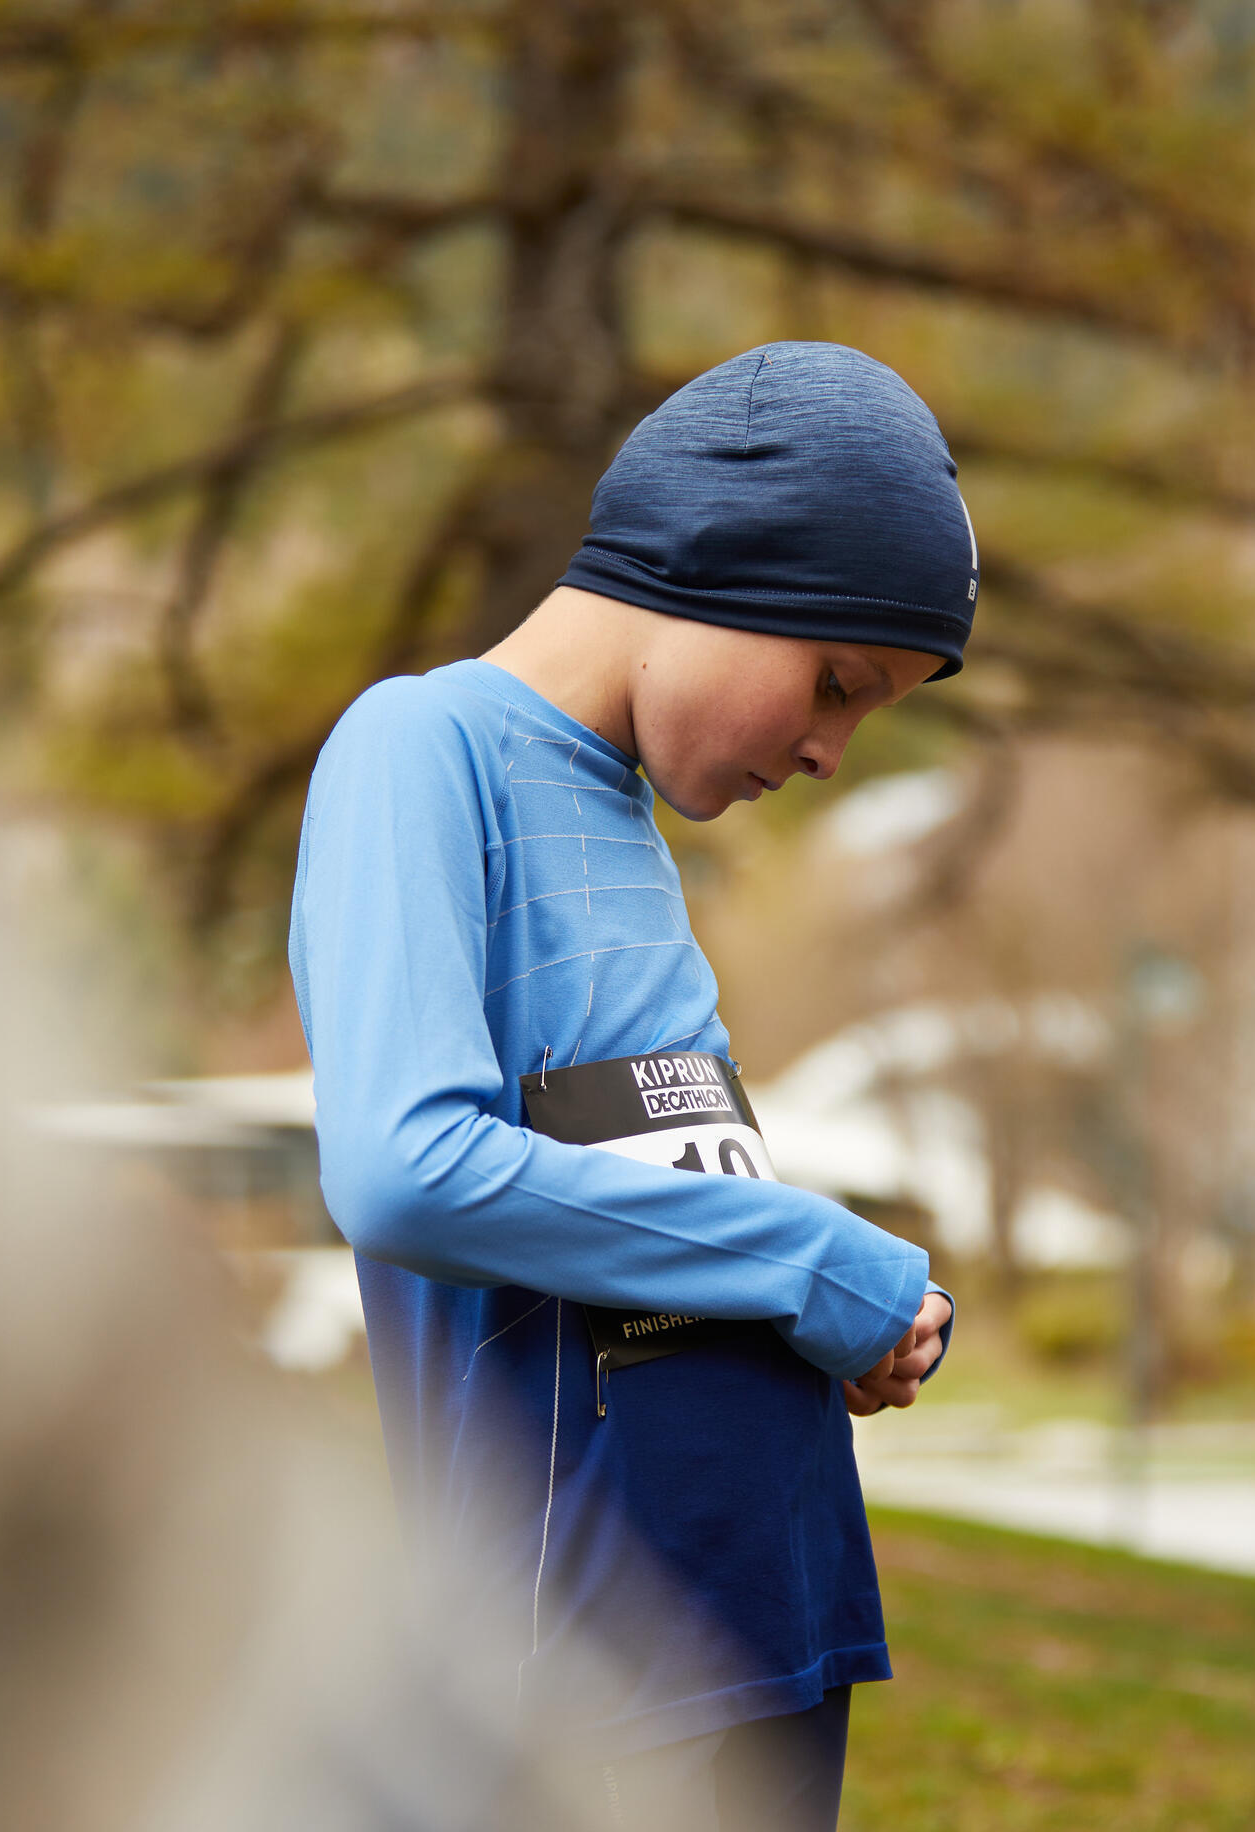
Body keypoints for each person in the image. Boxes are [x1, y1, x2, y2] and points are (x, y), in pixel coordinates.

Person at [289, 341, 979, 1830]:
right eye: (836, 682)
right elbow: (409, 1166)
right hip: (587, 1652)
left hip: (777, 1605)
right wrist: (811, 1254)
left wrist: (814, 1329)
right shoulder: (421, 747)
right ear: (725, 566)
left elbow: (644, 1202)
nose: (830, 751)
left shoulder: (623, 809)